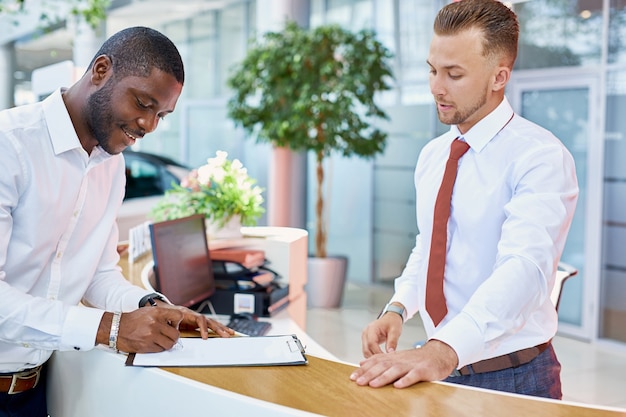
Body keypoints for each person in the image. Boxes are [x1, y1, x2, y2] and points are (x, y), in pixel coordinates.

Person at [350, 0, 578, 399]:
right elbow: (432, 244)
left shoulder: (540, 156)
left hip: (514, 376)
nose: (436, 87)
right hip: (442, 368)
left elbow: (525, 269)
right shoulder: (434, 155)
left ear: (499, 76)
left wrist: (442, 350)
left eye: (454, 74)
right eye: (433, 70)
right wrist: (399, 307)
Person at [0, 26, 234, 416]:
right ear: (101, 70)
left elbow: (98, 274)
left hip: (32, 390)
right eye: (143, 103)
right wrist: (111, 327)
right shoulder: (10, 146)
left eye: (161, 115)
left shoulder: (111, 168)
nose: (148, 126)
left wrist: (154, 306)